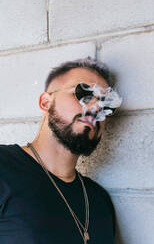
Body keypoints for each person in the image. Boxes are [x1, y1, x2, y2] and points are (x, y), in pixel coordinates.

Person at [0, 57, 122, 244]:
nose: (96, 108)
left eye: (105, 105)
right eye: (83, 94)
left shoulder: (100, 200)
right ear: (45, 103)